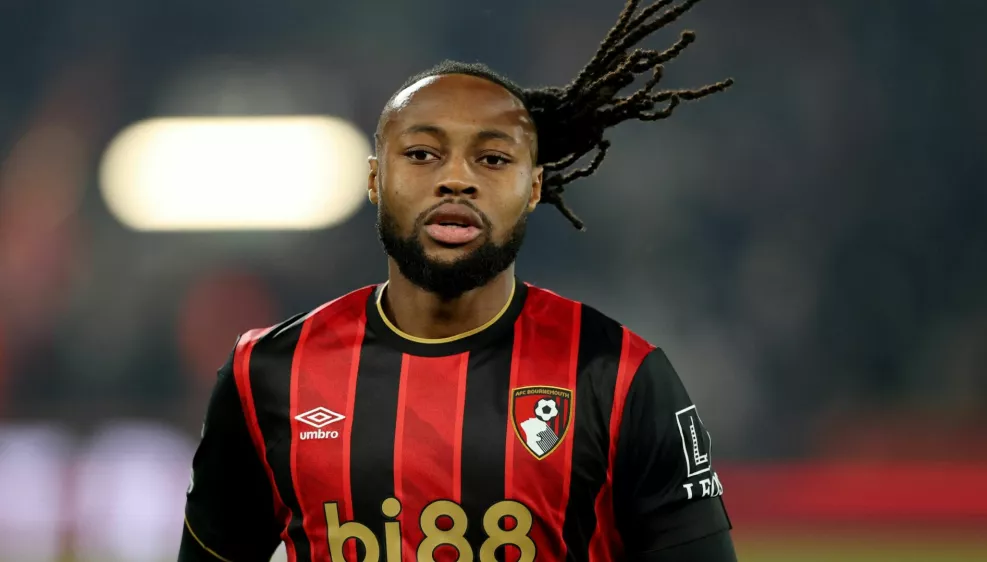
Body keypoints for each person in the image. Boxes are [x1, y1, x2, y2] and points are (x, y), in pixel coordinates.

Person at [179, 0, 736, 560]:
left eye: (492, 159)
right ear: (375, 178)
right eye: (422, 154)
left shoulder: (621, 377)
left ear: (535, 187)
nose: (455, 179)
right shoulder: (268, 375)